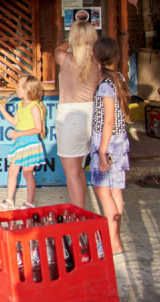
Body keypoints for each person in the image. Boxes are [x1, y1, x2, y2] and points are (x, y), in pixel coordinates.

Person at [90, 37, 130, 255]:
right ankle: (114, 238)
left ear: (96, 56)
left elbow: (108, 121)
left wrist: (102, 151)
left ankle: (113, 242)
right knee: (115, 190)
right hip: (118, 139)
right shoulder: (119, 78)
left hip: (107, 141)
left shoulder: (106, 85)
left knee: (102, 189)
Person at [54, 20, 100, 208]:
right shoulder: (97, 64)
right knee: (78, 169)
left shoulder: (65, 58)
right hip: (90, 114)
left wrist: (71, 40)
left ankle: (79, 216)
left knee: (71, 172)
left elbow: (58, 49)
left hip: (70, 116)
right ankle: (81, 212)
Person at [0, 76, 47, 210]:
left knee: (27, 173)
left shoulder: (34, 107)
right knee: (12, 171)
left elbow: (38, 129)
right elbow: (15, 122)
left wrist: (18, 133)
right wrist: (3, 111)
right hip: (19, 144)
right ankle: (9, 199)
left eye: (19, 86)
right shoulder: (20, 105)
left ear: (27, 90)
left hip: (30, 145)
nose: (17, 89)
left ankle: (30, 202)